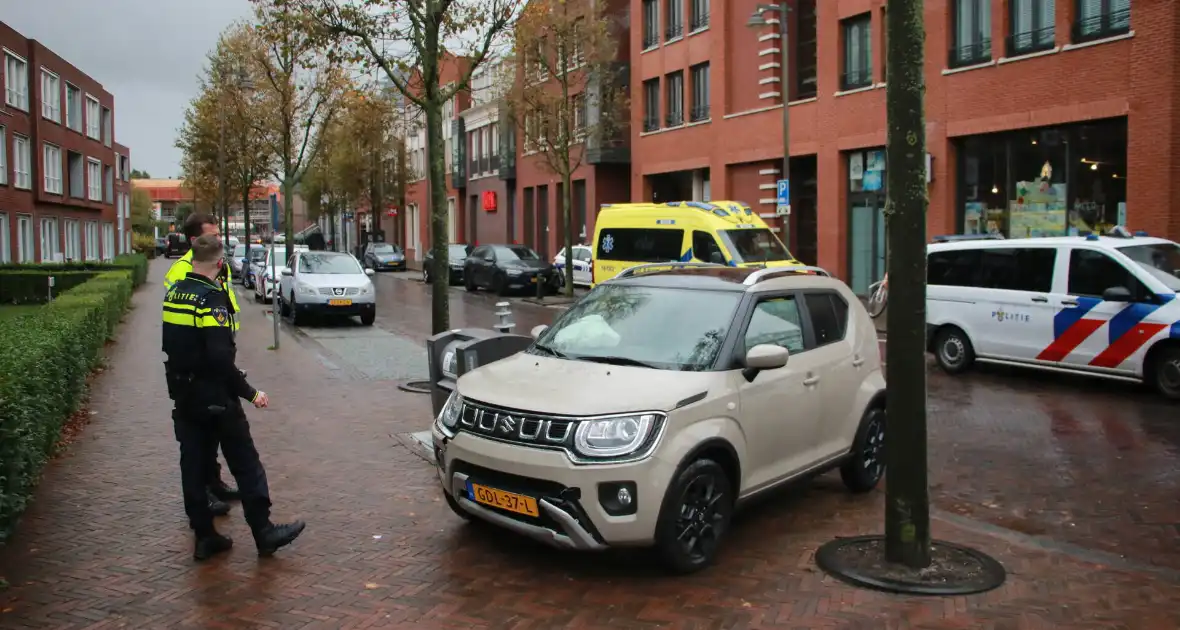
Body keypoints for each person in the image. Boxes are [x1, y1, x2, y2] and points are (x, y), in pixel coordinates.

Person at [163, 235, 306, 561]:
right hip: (216, 398)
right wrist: (250, 393)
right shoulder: (210, 300)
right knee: (246, 463)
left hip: (184, 396)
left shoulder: (174, 294)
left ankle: (204, 536)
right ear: (219, 262)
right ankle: (264, 531)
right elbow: (219, 359)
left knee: (194, 465)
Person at [164, 214, 240, 517]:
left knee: (213, 430)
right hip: (200, 364)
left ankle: (214, 483)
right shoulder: (182, 270)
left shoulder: (219, 262)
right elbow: (183, 317)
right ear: (196, 240)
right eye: (214, 234)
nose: (220, 239)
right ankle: (204, 495)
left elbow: (226, 299)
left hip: (219, 350)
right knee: (199, 436)